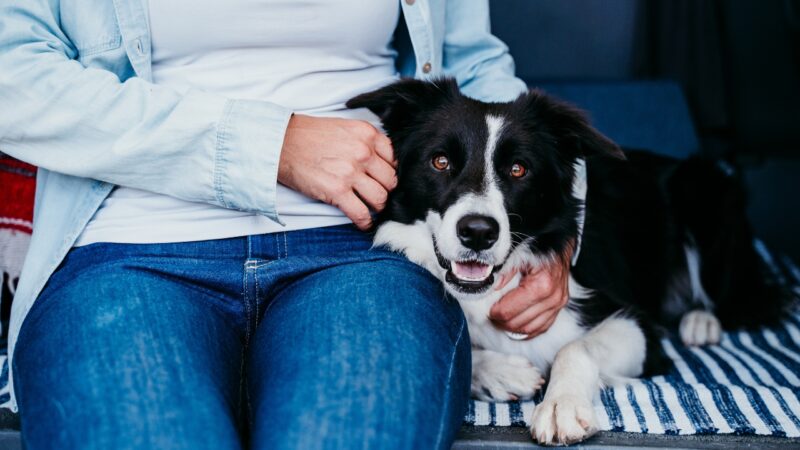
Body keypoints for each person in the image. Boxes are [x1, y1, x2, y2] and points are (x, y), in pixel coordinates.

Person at [0, 1, 571, 449]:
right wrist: (269, 144)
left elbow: (476, 68)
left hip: (367, 254)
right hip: (126, 254)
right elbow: (12, 79)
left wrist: (552, 232)